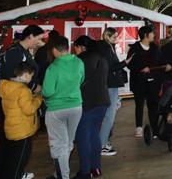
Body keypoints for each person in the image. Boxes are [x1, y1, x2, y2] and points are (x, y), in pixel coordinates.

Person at [0, 25, 44, 179]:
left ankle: (8, 173)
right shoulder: (16, 53)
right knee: (15, 147)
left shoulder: (20, 51)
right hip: (16, 107)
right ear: (29, 36)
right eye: (38, 38)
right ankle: (11, 173)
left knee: (9, 143)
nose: (39, 42)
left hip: (15, 104)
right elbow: (14, 76)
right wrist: (34, 88)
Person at [42, 36, 85, 179]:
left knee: (59, 144)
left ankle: (63, 175)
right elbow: (81, 80)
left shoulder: (53, 67)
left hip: (56, 110)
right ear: (67, 47)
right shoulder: (79, 62)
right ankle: (60, 172)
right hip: (76, 107)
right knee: (67, 142)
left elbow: (47, 92)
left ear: (54, 50)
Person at [0, 62, 42, 179]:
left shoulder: (6, 87)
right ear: (26, 75)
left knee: (12, 158)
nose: (31, 79)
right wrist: (38, 98)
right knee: (20, 160)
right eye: (31, 76)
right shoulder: (23, 90)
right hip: (22, 131)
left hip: (11, 128)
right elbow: (29, 109)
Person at [73, 36, 109, 179]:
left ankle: (85, 172)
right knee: (94, 135)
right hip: (102, 101)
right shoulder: (101, 56)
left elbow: (77, 80)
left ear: (82, 47)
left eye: (76, 47)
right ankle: (96, 168)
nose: (75, 50)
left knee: (82, 137)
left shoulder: (82, 59)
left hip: (87, 102)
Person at [127, 26, 168, 137]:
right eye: (152, 33)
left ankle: (155, 129)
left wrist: (166, 65)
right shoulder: (135, 48)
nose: (154, 35)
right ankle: (139, 127)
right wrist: (141, 68)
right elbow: (129, 64)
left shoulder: (155, 48)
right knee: (139, 104)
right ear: (145, 35)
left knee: (153, 105)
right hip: (138, 82)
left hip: (153, 82)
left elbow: (162, 61)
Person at [95, 27, 131, 156]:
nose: (116, 39)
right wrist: (125, 63)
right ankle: (102, 144)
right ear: (107, 36)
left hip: (107, 84)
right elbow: (110, 67)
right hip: (110, 84)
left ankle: (102, 141)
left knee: (107, 115)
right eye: (114, 37)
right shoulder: (106, 48)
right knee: (109, 116)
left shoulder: (105, 47)